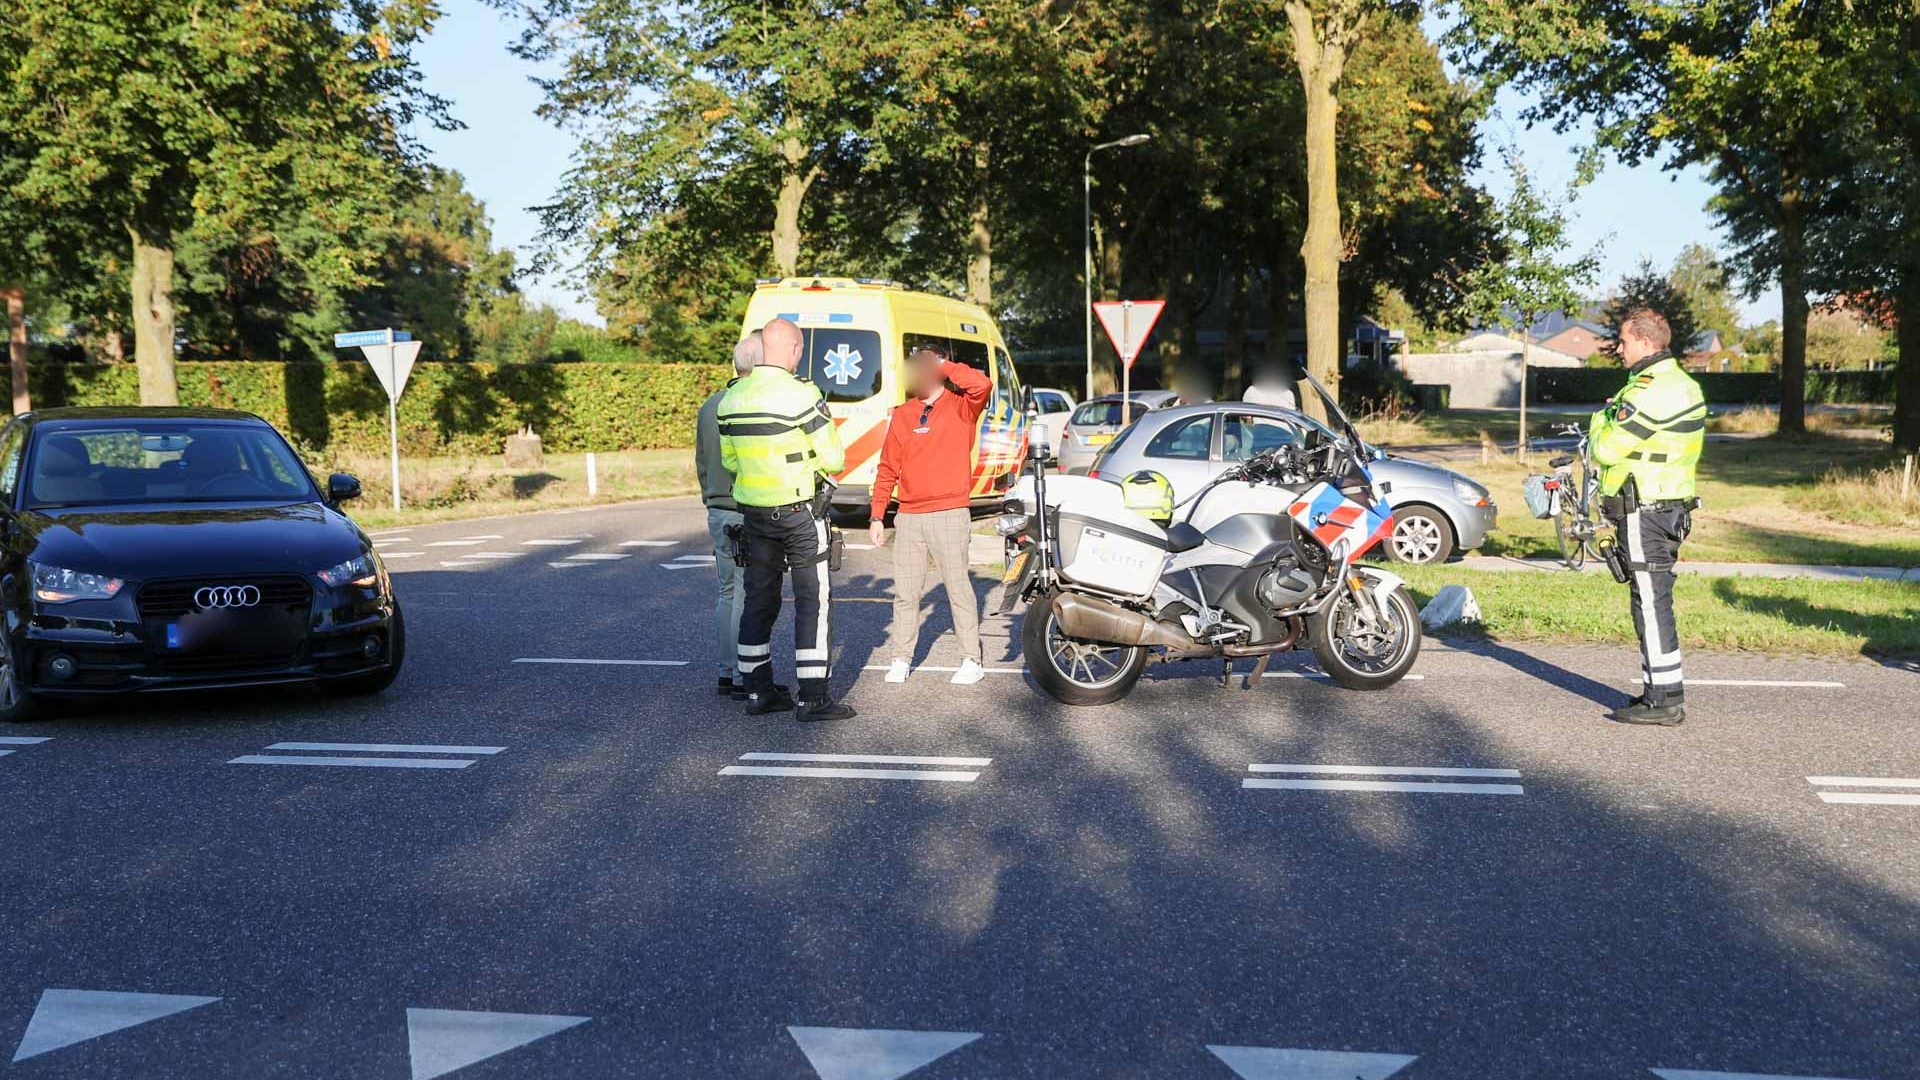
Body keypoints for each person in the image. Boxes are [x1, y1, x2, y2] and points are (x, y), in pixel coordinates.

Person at [718, 316, 854, 721]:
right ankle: (812, 698)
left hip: (754, 516)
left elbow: (730, 461)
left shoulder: (732, 399)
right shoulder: (802, 396)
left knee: (758, 601)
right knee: (813, 601)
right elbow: (835, 459)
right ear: (795, 350)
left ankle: (759, 692)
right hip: (799, 514)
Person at [1590, 308, 1706, 727]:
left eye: (1622, 341)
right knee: (1651, 598)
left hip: (1647, 508)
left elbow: (1605, 449)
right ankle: (1660, 690)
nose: (1619, 349)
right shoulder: (1674, 383)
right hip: (1664, 505)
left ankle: (1665, 703)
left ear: (1643, 341)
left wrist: (1601, 418)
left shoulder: (1652, 388)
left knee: (1651, 603)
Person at [868, 344, 992, 685]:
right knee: (906, 593)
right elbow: (888, 467)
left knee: (957, 588)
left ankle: (971, 659)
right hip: (909, 517)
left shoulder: (962, 407)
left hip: (950, 513)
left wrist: (945, 365)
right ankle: (900, 658)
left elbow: (983, 384)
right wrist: (877, 515)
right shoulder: (903, 414)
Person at [695, 330, 760, 699]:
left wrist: (710, 496)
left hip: (718, 508)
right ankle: (745, 671)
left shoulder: (710, 405)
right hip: (748, 510)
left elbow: (701, 461)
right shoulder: (750, 404)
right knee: (749, 593)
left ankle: (727, 668)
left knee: (727, 592)